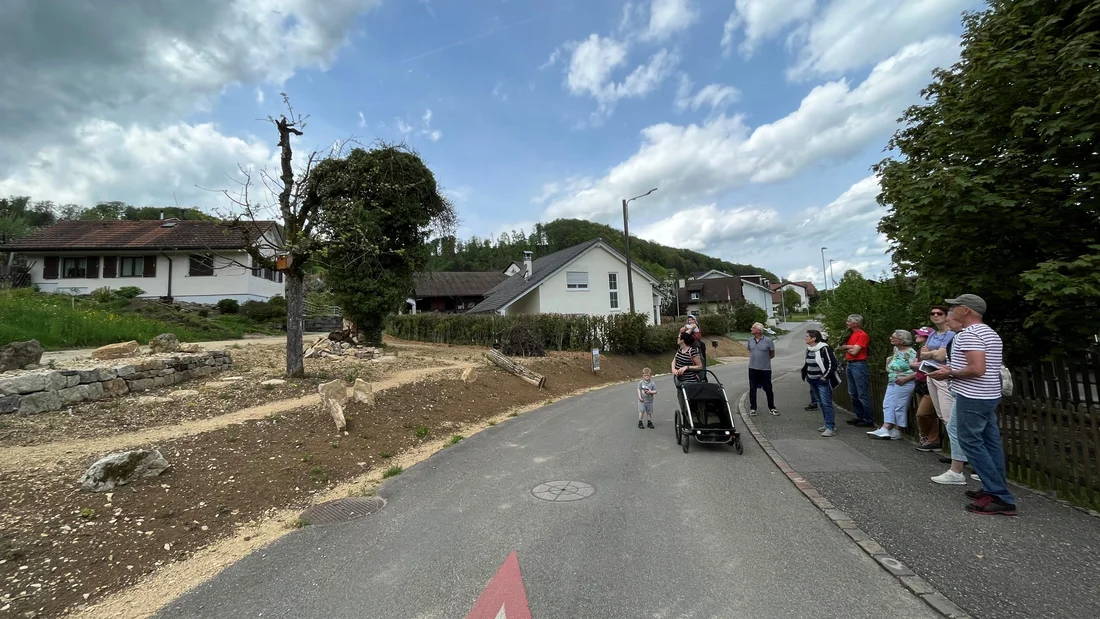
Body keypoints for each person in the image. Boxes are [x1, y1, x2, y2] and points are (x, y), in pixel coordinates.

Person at [928, 294, 1016, 516]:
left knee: (971, 442)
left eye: (954, 307)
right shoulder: (989, 332)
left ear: (966, 310)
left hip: (973, 395)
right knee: (990, 442)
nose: (950, 311)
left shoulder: (969, 334)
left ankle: (998, 495)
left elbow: (977, 369)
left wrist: (949, 373)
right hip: (989, 394)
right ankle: (994, 488)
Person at [868, 330, 918, 440]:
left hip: (905, 381)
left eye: (894, 337)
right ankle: (886, 427)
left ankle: (897, 430)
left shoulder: (911, 353)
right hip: (892, 380)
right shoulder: (896, 349)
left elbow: (918, 369)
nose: (891, 338)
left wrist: (906, 378)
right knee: (888, 403)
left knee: (899, 405)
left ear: (902, 340)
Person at [920, 306, 956, 452]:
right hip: (930, 373)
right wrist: (933, 353)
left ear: (947, 316)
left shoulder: (950, 333)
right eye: (932, 313)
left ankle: (958, 453)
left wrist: (931, 353)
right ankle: (955, 451)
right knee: (940, 413)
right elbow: (923, 354)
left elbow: (942, 356)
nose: (935, 315)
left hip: (943, 374)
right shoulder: (933, 334)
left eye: (939, 313)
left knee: (948, 414)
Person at [801, 329, 841, 437]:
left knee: (826, 403)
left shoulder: (824, 348)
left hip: (821, 381)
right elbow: (807, 363)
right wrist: (807, 375)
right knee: (820, 402)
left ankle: (830, 427)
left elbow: (831, 364)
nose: (805, 338)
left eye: (807, 337)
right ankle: (827, 423)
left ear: (814, 338)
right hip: (812, 379)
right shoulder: (809, 349)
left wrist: (825, 376)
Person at [837, 314, 874, 427]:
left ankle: (868, 419)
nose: (847, 323)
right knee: (853, 392)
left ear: (856, 323)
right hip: (850, 363)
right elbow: (843, 347)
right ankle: (859, 416)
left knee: (862, 393)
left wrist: (846, 347)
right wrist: (850, 347)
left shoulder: (862, 335)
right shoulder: (850, 334)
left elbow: (855, 352)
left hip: (859, 364)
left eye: (849, 321)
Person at [910, 327, 939, 450]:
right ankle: (932, 440)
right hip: (919, 381)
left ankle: (927, 437)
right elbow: (913, 365)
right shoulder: (919, 350)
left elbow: (933, 366)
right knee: (928, 414)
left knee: (923, 413)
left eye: (920, 335)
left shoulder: (935, 350)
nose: (917, 336)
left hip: (930, 382)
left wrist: (919, 365)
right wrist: (918, 365)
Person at [746, 322, 778, 416]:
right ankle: (753, 408)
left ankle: (772, 407)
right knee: (752, 388)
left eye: (753, 328)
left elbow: (772, 354)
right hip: (752, 368)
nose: (751, 329)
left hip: (765, 369)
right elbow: (750, 350)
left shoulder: (768, 341)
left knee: (768, 388)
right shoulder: (750, 340)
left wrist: (764, 360)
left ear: (758, 331)